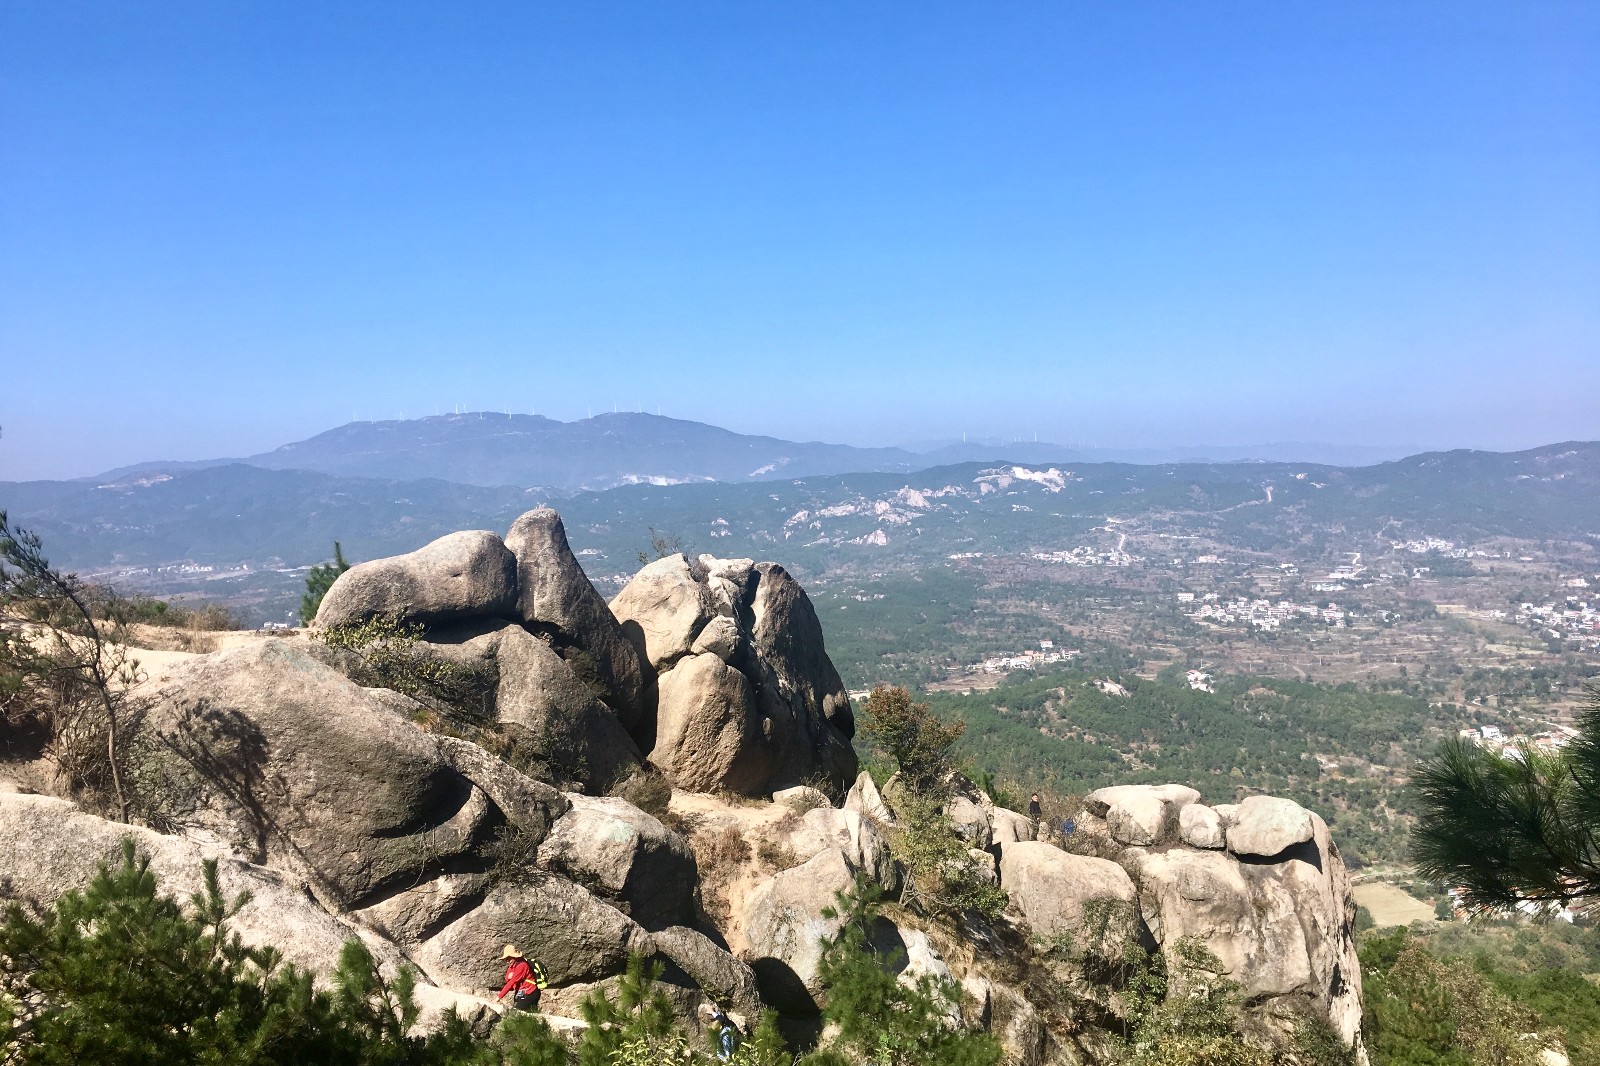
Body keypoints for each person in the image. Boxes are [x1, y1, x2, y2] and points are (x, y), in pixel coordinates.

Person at [496, 945, 547, 1012]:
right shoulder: (512, 965)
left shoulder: (522, 965)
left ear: (514, 957)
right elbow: (507, 977)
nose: (507, 961)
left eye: (509, 958)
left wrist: (499, 997)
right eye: (506, 959)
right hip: (520, 993)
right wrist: (509, 977)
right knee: (527, 1013)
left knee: (516, 1012)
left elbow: (511, 982)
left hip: (530, 993)